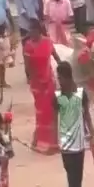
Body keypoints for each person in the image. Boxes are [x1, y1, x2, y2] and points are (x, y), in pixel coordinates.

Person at [55, 60, 93, 187]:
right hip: (65, 146)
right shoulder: (57, 96)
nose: (59, 81)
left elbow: (87, 115)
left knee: (77, 178)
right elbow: (54, 120)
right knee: (72, 178)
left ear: (67, 77)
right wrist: (54, 141)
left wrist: (91, 134)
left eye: (60, 78)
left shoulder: (81, 94)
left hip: (79, 144)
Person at [22, 21, 57, 155]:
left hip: (49, 82)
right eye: (30, 31)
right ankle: (38, 140)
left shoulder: (48, 42)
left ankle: (52, 142)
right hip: (37, 84)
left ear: (39, 30)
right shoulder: (28, 46)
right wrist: (33, 80)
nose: (31, 33)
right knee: (41, 112)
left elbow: (56, 56)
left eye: (33, 31)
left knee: (50, 111)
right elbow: (27, 67)